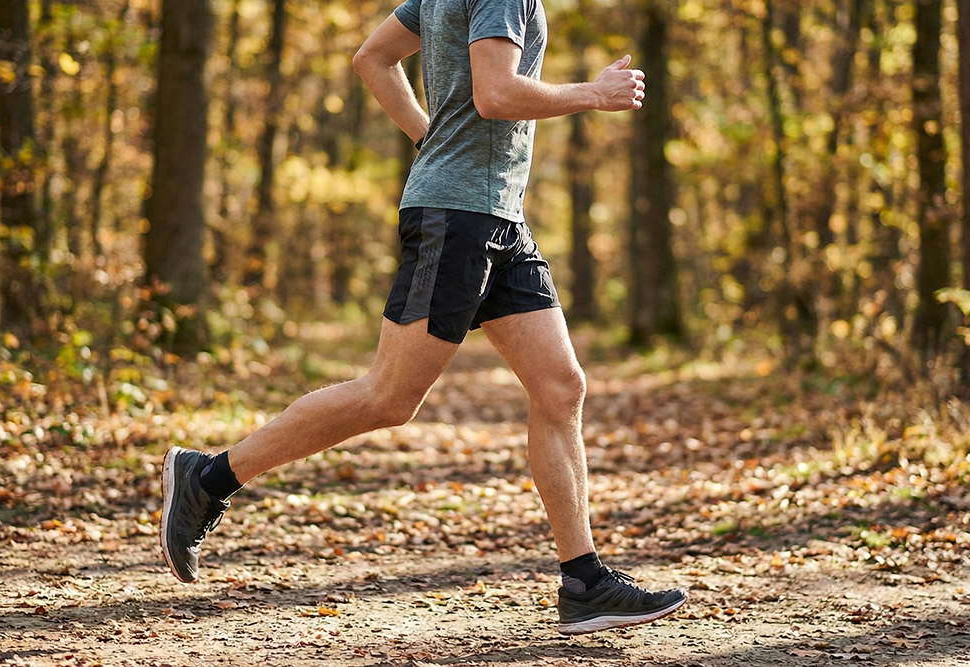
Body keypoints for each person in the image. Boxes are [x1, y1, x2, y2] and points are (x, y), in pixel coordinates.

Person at [159, 0, 687, 635]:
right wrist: (592, 94)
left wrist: (428, 138)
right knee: (388, 397)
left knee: (560, 386)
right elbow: (495, 95)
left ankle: (584, 581)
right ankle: (209, 476)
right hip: (459, 220)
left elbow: (372, 58)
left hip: (497, 219)